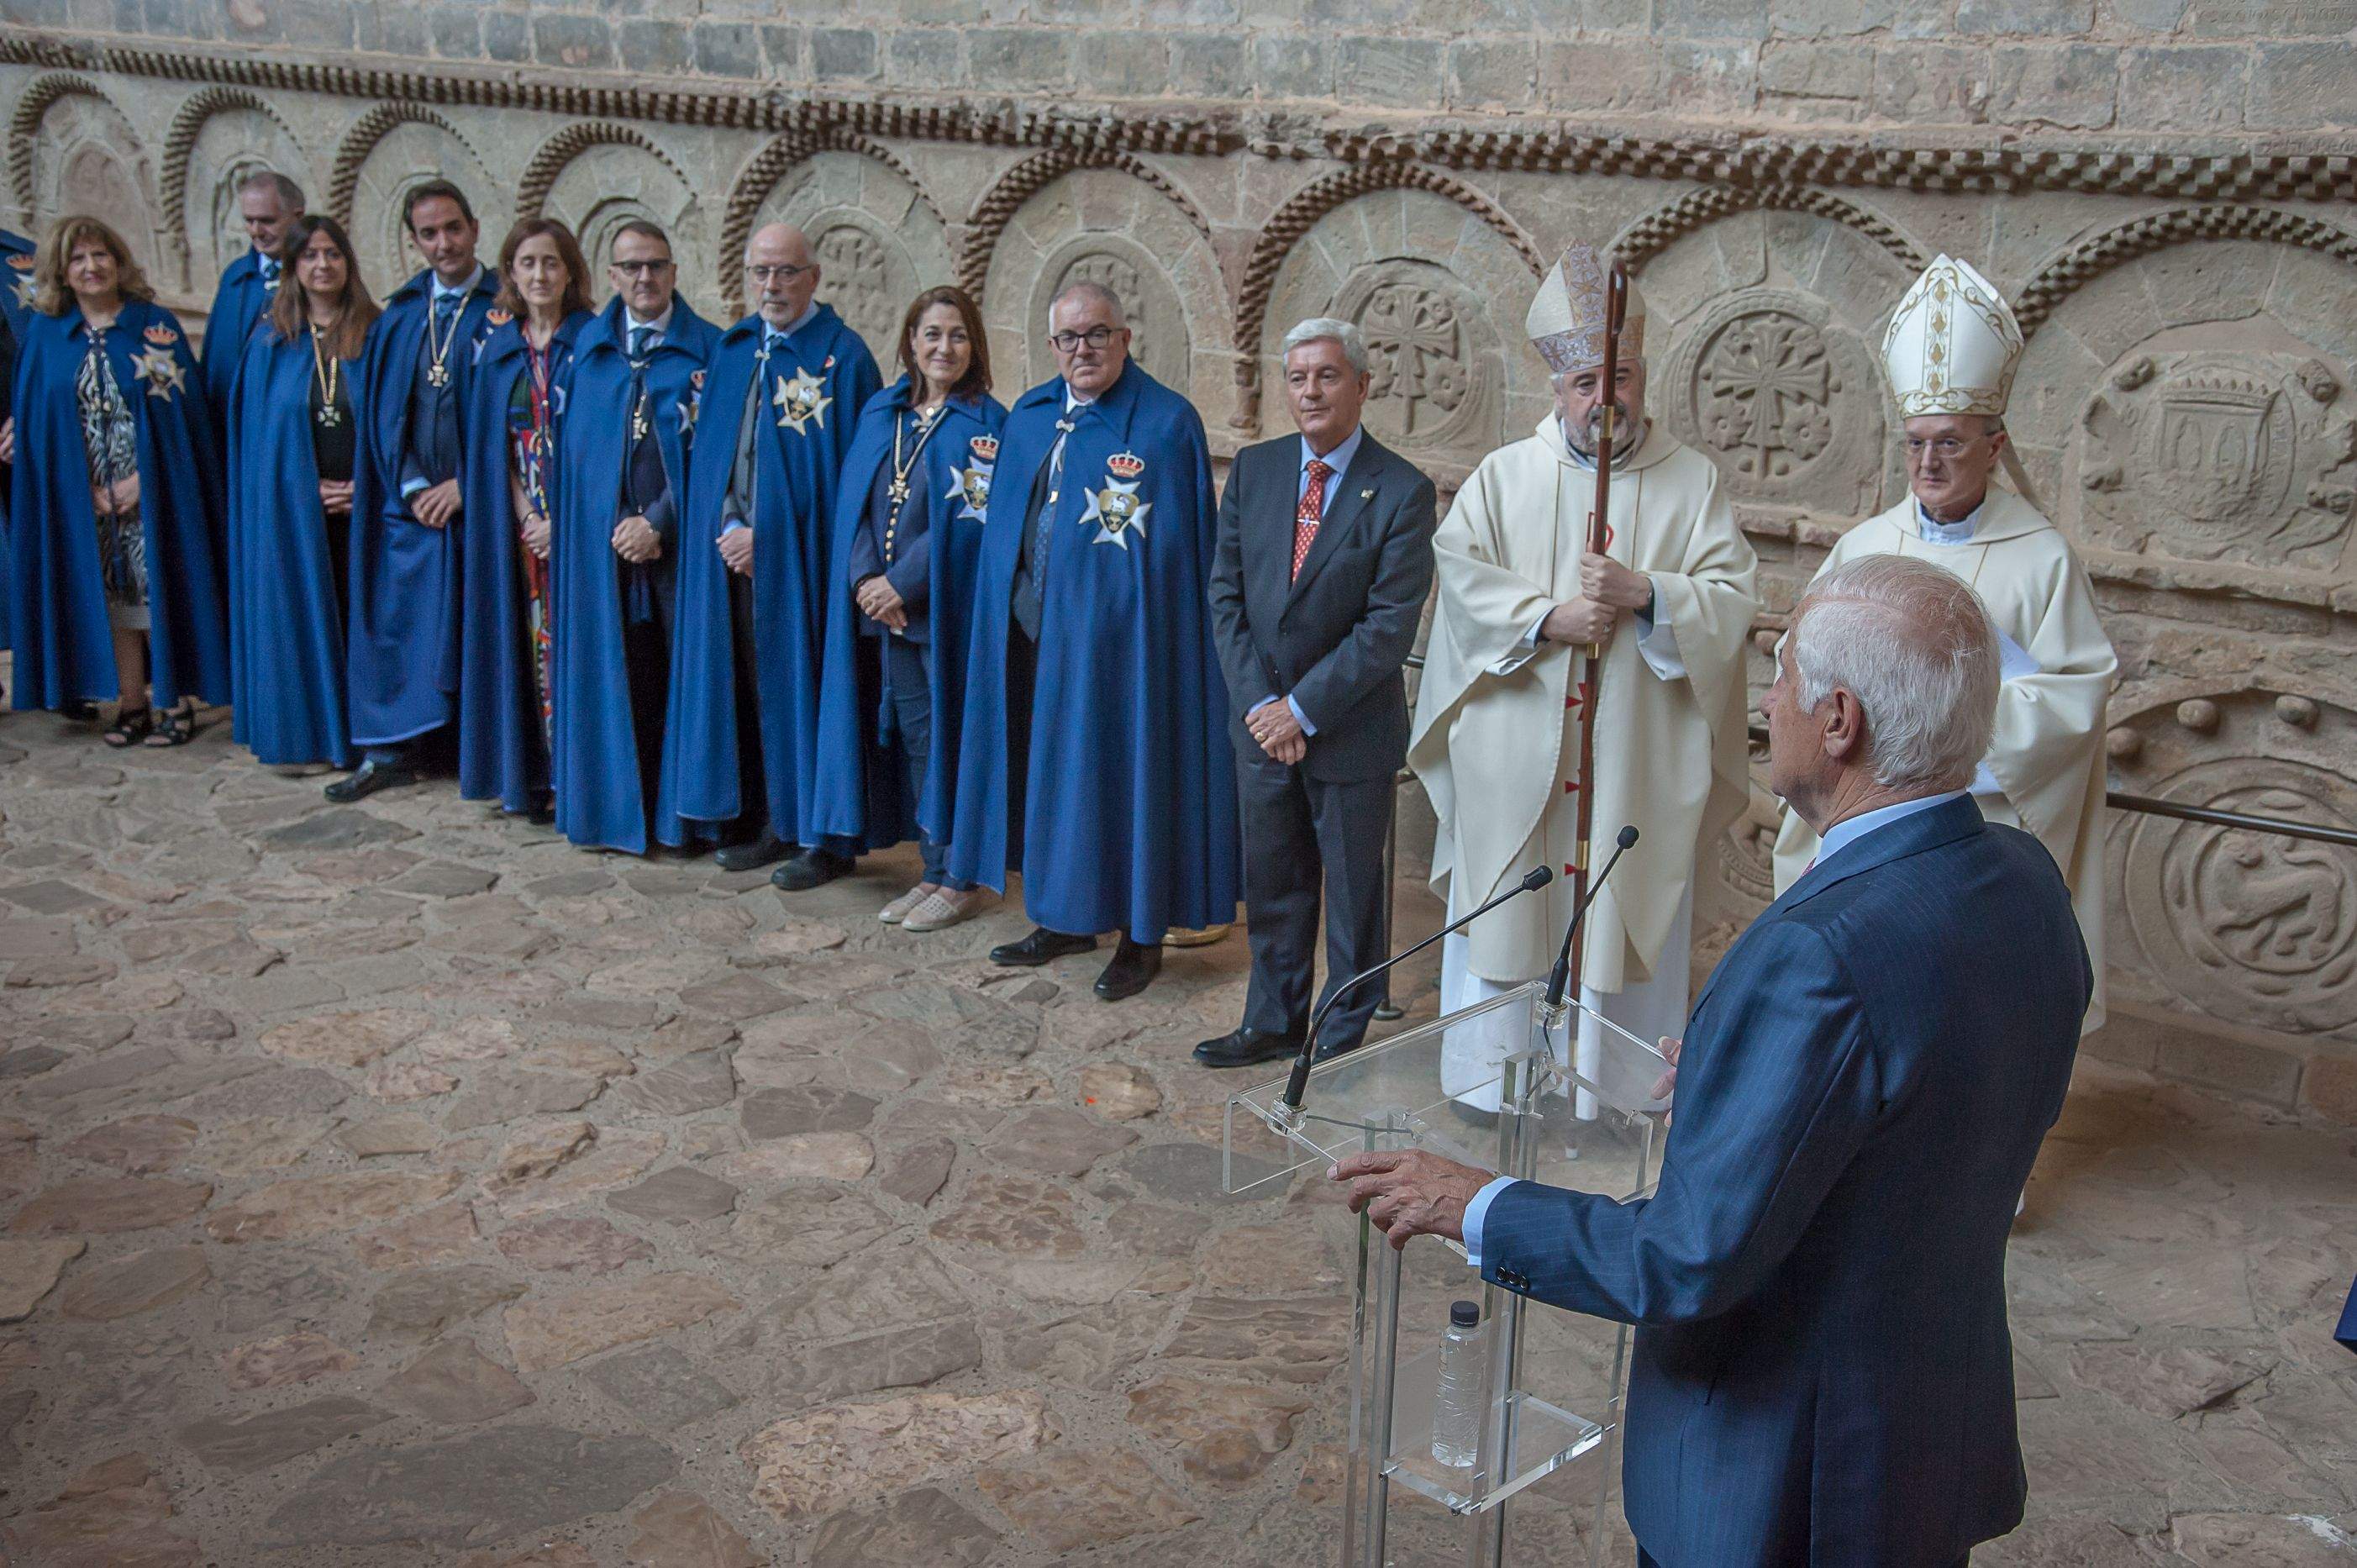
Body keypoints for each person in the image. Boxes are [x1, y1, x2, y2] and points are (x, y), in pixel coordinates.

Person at [1335, 555, 2093, 1568]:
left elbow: (1687, 1261)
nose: (1764, 700)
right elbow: (1948, 1100)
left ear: (1840, 721)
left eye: (1781, 678)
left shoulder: (1818, 953)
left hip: (1790, 1470)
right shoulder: (2023, 875)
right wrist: (1767, 1082)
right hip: (1923, 1432)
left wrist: (1474, 1202)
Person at [1408, 242, 1756, 1112]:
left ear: (1644, 376)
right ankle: (1494, 1088)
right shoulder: (1503, 477)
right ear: (1555, 390)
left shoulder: (1692, 483)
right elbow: (1461, 577)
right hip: (1513, 769)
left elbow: (1731, 600)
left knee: (1617, 908)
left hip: (1631, 765)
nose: (1607, 399)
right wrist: (1545, 617)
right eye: (1586, 384)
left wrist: (1649, 595)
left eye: (1623, 377)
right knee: (1510, 911)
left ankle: (1609, 1093)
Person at [1774, 255, 2115, 1029]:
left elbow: (2076, 696)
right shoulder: (1862, 545)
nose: (1928, 463)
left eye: (1951, 444)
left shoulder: (2042, 556)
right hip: (1863, 817)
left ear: (1994, 448)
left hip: (1975, 831)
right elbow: (1794, 666)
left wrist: (1940, 729)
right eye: (1916, 442)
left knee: (1961, 1010)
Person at [946, 281, 1239, 1002]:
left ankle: (1140, 936)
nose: (1084, 349)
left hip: (1126, 654)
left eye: (1097, 334)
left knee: (1125, 781)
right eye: (1070, 338)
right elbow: (1007, 532)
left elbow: (1179, 558)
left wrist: (1132, 631)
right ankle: (1065, 917)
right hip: (1033, 639)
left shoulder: (1165, 424)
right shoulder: (1032, 417)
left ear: (1124, 338)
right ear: (1051, 347)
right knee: (1053, 782)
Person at [1196, 318, 1435, 1068]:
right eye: (1297, 377)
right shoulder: (1256, 470)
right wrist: (1263, 711)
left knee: (1353, 899)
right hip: (1261, 726)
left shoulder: (1401, 490)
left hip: (1348, 731)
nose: (1310, 391)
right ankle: (1270, 1020)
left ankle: (1339, 1038)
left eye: (1327, 376)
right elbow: (1225, 598)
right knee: (1272, 884)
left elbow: (1386, 629)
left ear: (1361, 386)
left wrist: (1298, 710)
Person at [662, 223, 881, 876]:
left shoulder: (843, 357)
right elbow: (717, 459)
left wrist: (775, 541)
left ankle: (822, 839)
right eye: (761, 272)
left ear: (814, 278)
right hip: (732, 555)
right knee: (753, 691)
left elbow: (852, 478)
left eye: (786, 272)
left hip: (806, 569)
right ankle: (768, 819)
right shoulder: (735, 351)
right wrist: (729, 524)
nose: (771, 286)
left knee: (809, 691)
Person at [807, 286, 1006, 929]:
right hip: (886, 614)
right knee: (919, 743)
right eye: (930, 334)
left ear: (972, 346)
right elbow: (854, 503)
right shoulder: (882, 412)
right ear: (910, 342)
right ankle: (933, 867)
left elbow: (971, 523)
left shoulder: (985, 425)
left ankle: (963, 875)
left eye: (956, 335)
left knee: (953, 739)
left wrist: (902, 583)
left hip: (942, 611)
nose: (942, 347)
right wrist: (867, 578)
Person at [7, 216, 229, 741]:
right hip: (84, 500)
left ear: (118, 260)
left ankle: (174, 702)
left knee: (158, 593)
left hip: (149, 492)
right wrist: (77, 489)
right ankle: (132, 703)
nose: (91, 267)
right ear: (62, 271)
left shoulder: (153, 326)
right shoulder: (47, 336)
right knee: (114, 599)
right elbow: (40, 428)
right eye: (79, 259)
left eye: (100, 255)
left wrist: (144, 482)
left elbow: (184, 424)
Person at [549, 218, 719, 854]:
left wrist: (659, 521)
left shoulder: (708, 350)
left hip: (678, 556)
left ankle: (682, 819)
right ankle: (618, 811)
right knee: (619, 679)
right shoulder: (591, 353)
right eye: (630, 267)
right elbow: (578, 459)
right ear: (612, 277)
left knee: (679, 681)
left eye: (655, 265)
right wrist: (610, 524)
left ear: (674, 273)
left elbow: (715, 457)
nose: (643, 278)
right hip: (606, 556)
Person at [334, 180, 497, 802]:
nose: (443, 243)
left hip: (482, 506)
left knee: (476, 629)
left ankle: (475, 753)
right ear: (413, 241)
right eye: (429, 233)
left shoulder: (500, 311)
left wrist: (465, 486)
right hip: (413, 504)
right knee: (401, 624)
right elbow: (383, 414)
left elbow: (516, 420)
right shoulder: (401, 315)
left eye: (453, 228)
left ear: (475, 228)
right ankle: (393, 749)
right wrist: (410, 484)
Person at [225, 213, 376, 769]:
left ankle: (369, 739)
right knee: (304, 620)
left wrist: (366, 487)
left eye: (332, 253)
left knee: (360, 622)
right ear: (293, 268)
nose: (322, 265)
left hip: (366, 510)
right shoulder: (270, 343)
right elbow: (258, 447)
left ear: (347, 263)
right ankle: (309, 734)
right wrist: (299, 488)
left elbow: (393, 426)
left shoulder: (376, 332)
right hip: (296, 512)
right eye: (310, 256)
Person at [457, 218, 594, 823]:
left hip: (578, 532)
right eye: (527, 263)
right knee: (528, 649)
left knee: (573, 652)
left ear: (570, 272)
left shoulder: (591, 344)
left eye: (551, 263)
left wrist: (561, 521)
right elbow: (492, 448)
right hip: (521, 530)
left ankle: (577, 773)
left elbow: (600, 445)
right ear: (510, 272)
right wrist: (528, 514)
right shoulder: (498, 350)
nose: (540, 275)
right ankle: (531, 772)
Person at [199, 171, 304, 421]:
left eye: (267, 220)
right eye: (249, 221)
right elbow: (217, 364)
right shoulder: (236, 278)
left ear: (297, 218)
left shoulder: (315, 280)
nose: (256, 231)